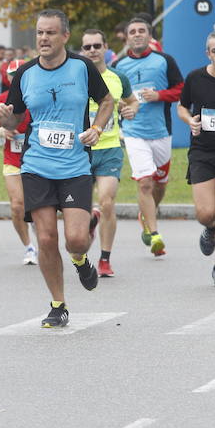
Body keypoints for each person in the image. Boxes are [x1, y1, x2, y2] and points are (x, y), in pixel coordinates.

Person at [0, 9, 112, 328]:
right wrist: (8, 121)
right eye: (39, 33)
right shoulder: (26, 74)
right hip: (36, 165)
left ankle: (80, 258)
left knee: (74, 239)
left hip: (74, 166)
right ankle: (58, 304)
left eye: (49, 33)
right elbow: (17, 119)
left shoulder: (82, 67)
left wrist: (98, 129)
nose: (43, 39)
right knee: (46, 238)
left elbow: (106, 102)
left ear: (64, 36)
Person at [111, 16, 183, 257]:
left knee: (160, 184)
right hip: (133, 132)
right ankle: (154, 234)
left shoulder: (164, 61)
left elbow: (180, 90)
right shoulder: (119, 66)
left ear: (150, 36)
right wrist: (123, 106)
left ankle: (148, 213)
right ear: (127, 37)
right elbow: (113, 97)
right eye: (133, 31)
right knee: (145, 183)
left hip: (161, 131)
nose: (138, 34)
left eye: (142, 30)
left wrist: (159, 96)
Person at [81, 29, 139, 277]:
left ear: (106, 47)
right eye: (87, 47)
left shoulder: (118, 78)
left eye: (97, 45)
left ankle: (105, 258)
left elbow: (132, 101)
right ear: (82, 51)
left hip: (110, 149)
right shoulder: (76, 77)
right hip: (81, 151)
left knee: (107, 202)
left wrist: (130, 110)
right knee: (80, 210)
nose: (93, 50)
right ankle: (89, 225)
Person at [178, 30, 215, 285]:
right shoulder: (196, 77)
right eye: (214, 51)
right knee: (206, 213)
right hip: (203, 151)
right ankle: (209, 228)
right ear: (208, 53)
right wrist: (189, 119)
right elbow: (182, 106)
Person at [0, 60, 36, 265]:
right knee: (17, 206)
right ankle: (29, 247)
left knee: (39, 207)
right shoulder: (3, 99)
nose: (15, 78)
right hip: (13, 160)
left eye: (19, 74)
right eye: (11, 74)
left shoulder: (37, 97)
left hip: (37, 159)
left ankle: (41, 234)